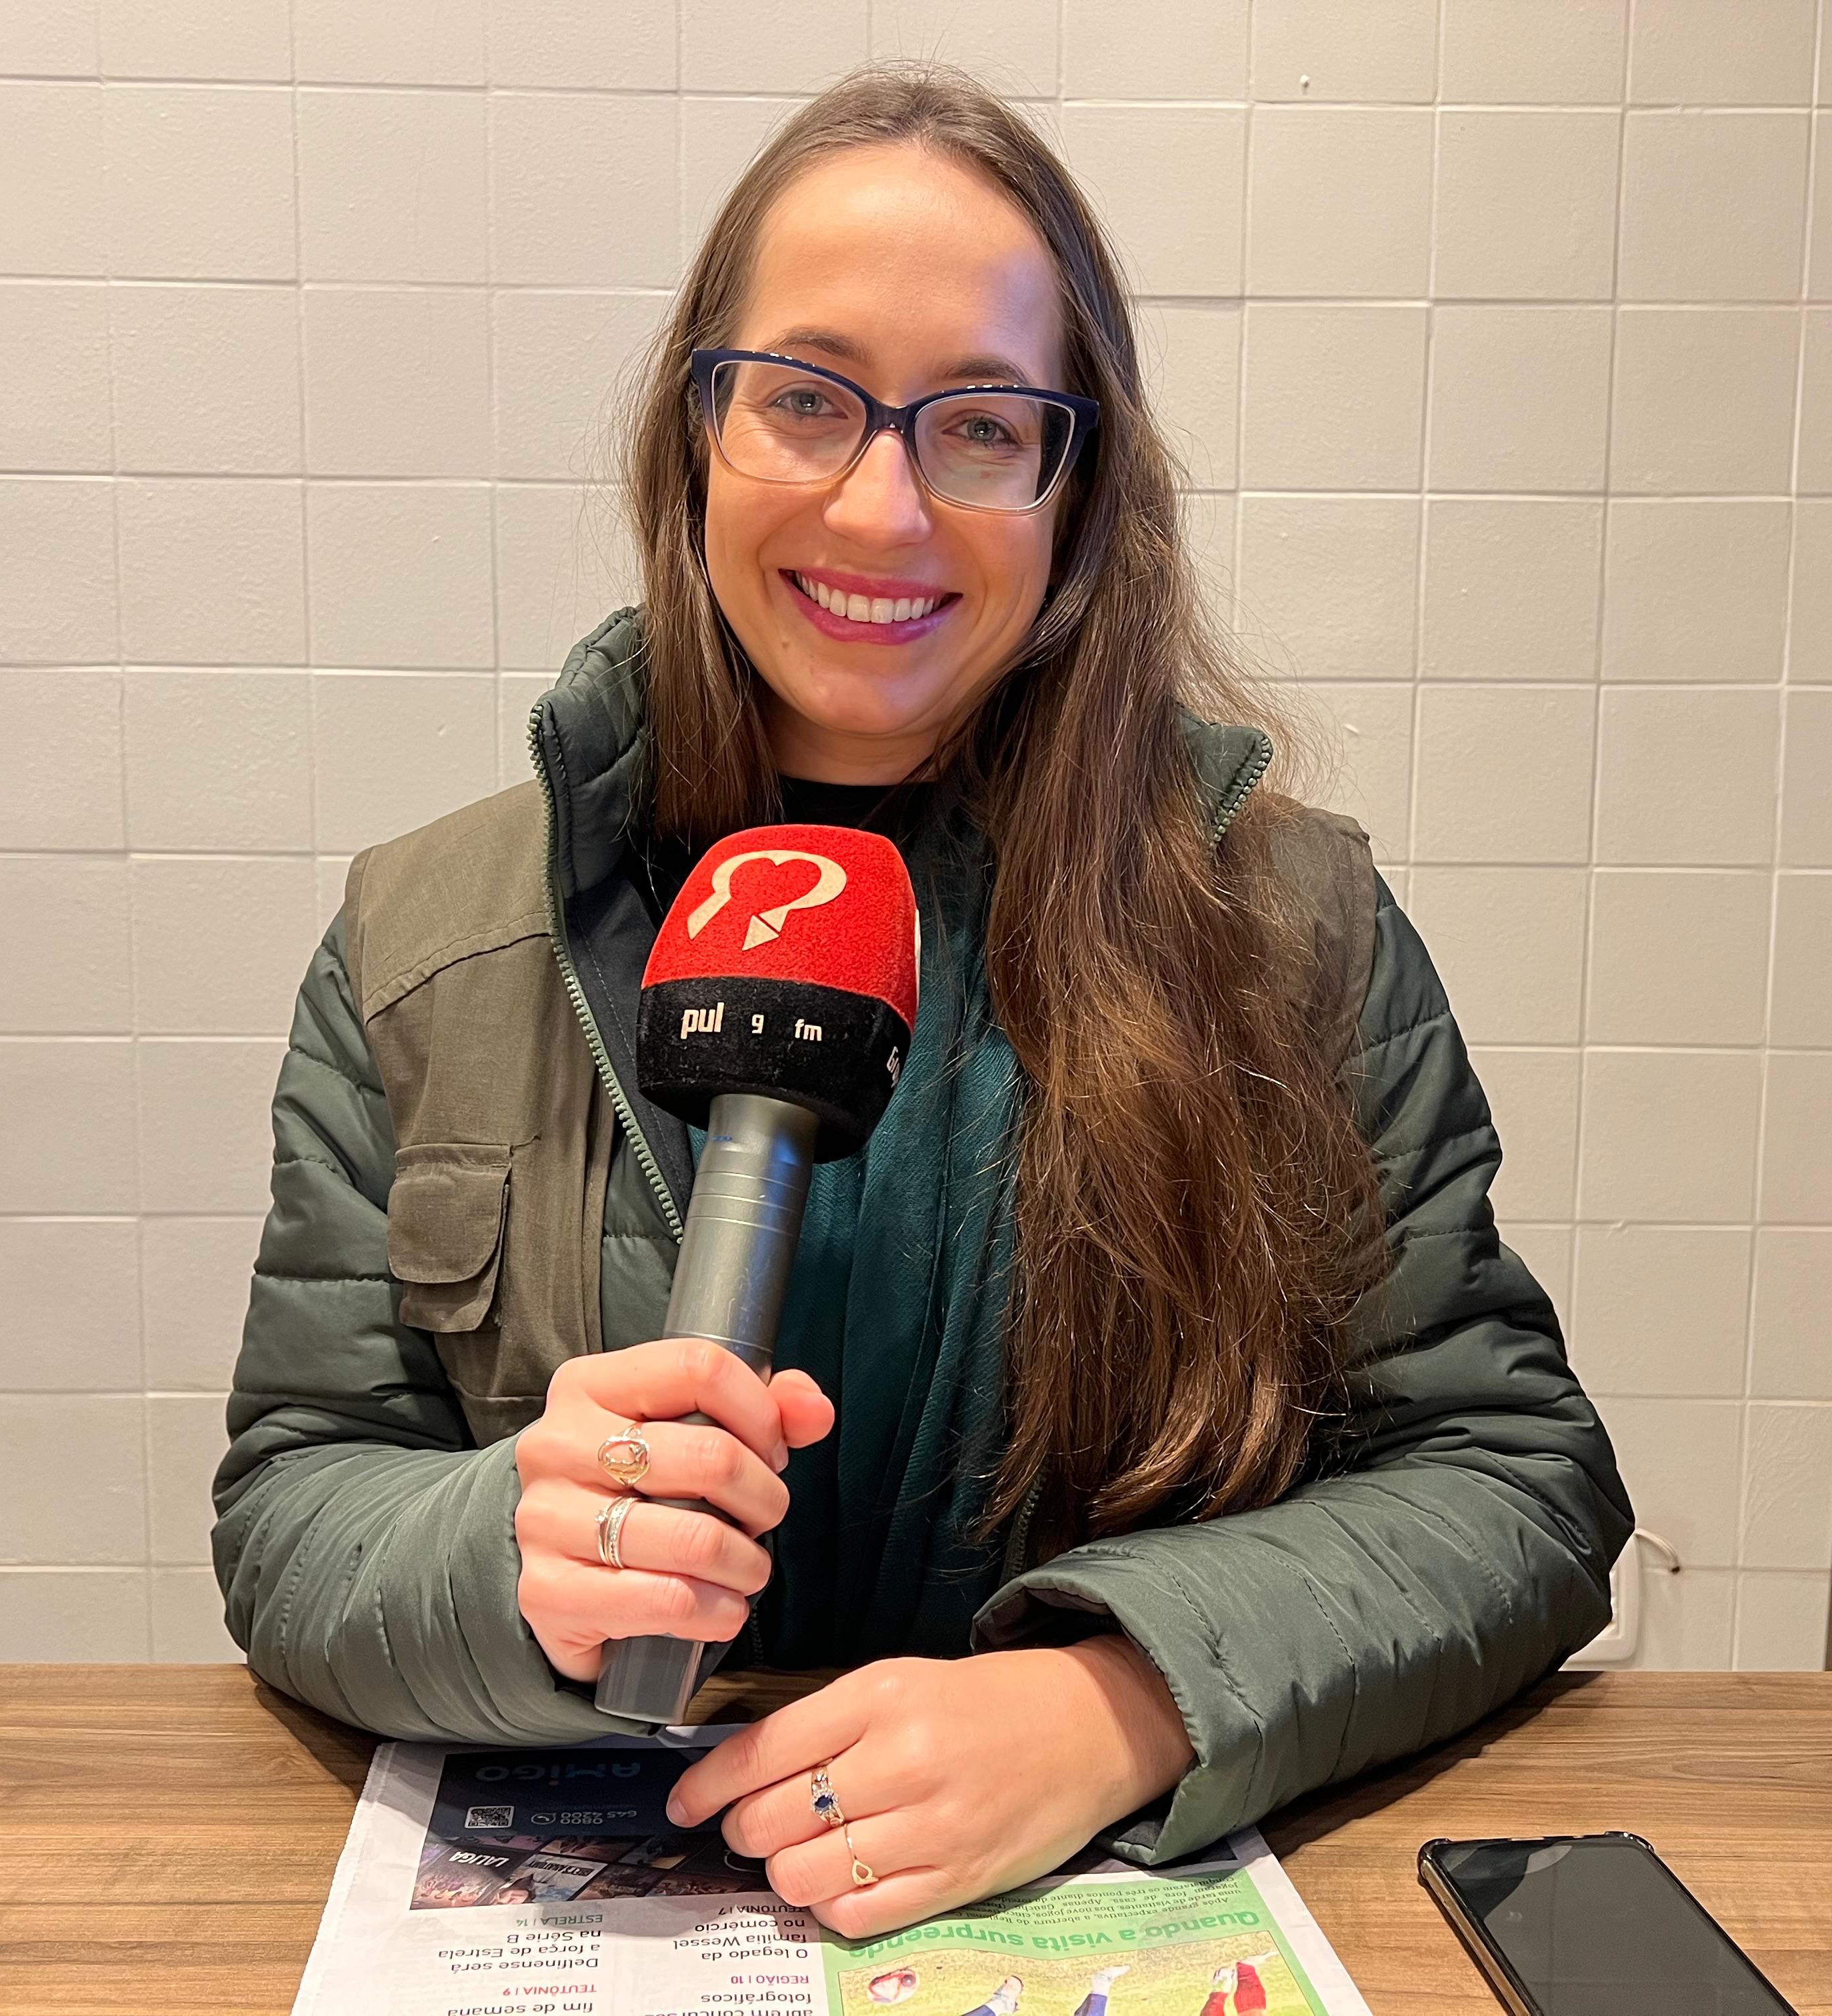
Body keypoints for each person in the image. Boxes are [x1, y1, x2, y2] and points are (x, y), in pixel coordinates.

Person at [215, 62, 1631, 1941]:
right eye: (805, 399)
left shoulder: (1292, 934)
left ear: (1075, 484)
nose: (881, 507)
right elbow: (296, 1500)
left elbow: (1513, 1481)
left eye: (978, 425)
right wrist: (507, 1561)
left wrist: (1122, 1701)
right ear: (695, 436)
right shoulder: (430, 942)